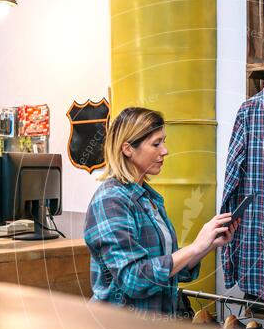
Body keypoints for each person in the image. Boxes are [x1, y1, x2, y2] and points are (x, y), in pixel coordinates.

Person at [84, 107, 238, 317]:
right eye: (156, 143)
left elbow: (169, 268)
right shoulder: (111, 201)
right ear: (128, 149)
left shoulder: (148, 198)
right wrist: (194, 248)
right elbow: (133, 279)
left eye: (163, 141)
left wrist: (207, 245)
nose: (165, 150)